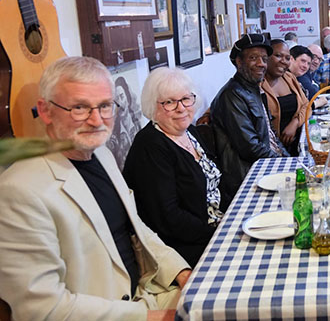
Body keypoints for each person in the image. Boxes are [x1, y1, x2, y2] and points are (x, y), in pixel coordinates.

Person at [0, 57, 191, 319]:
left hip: (147, 293)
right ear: (45, 110)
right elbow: (42, 309)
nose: (96, 120)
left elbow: (136, 227)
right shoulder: (19, 191)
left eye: (105, 106)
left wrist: (182, 272)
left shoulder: (101, 154)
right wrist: (153, 317)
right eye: (79, 108)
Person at [123, 67, 230, 267]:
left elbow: (215, 183)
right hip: (182, 250)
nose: (181, 108)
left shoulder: (189, 132)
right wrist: (219, 233)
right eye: (169, 102)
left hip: (214, 228)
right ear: (152, 106)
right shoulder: (150, 146)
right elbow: (168, 218)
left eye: (186, 99)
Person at [210, 34, 288, 198]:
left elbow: (271, 134)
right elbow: (250, 148)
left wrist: (287, 157)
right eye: (253, 58)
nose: (261, 64)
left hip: (265, 166)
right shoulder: (232, 95)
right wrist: (284, 162)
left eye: (264, 59)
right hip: (248, 177)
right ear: (239, 62)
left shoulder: (254, 89)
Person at [261, 40, 309, 155]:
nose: (283, 61)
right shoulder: (257, 83)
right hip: (272, 151)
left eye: (287, 58)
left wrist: (295, 123)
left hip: (297, 143)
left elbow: (307, 105)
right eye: (278, 56)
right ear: (265, 57)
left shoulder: (289, 78)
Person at [106, 76, 142, 169]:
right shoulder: (113, 137)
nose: (120, 103)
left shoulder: (138, 126)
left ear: (128, 97)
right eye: (116, 100)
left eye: (122, 97)